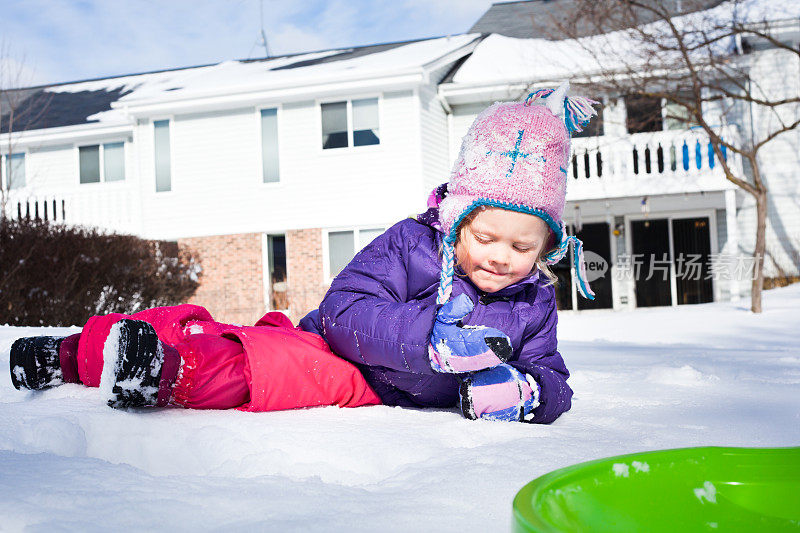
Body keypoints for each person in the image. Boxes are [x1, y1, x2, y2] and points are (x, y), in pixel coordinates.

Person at [9, 81, 597, 424]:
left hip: (371, 392)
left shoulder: (533, 302)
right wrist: (428, 342)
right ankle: (75, 355)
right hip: (342, 351)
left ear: (549, 245)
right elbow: (345, 310)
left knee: (262, 369)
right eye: (485, 237)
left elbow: (553, 377)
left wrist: (525, 394)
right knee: (246, 345)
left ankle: (162, 372)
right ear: (455, 220)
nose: (501, 257)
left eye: (523, 246)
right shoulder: (412, 244)